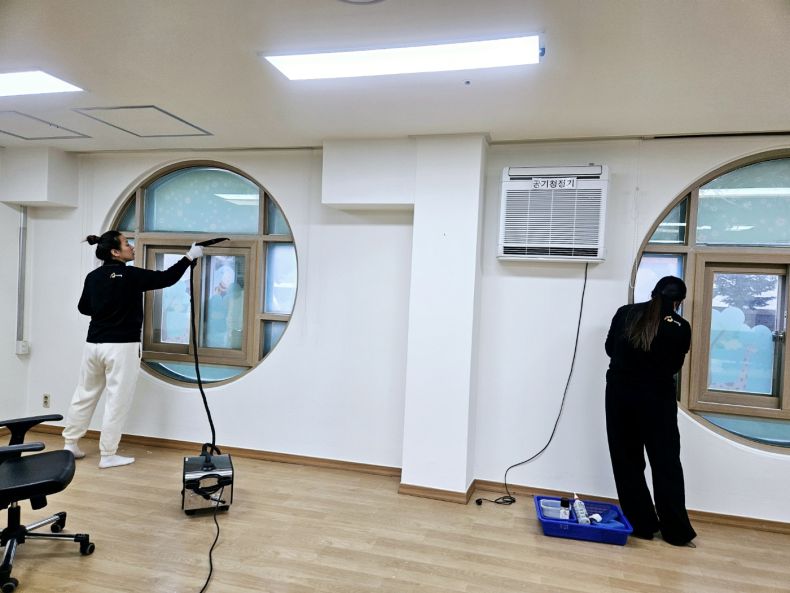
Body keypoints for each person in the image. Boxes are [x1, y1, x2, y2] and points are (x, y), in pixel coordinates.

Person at [62, 231, 203, 469]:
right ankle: (108, 454)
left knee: (84, 393)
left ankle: (70, 444)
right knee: (117, 400)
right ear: (115, 252)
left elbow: (84, 308)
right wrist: (189, 257)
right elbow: (167, 278)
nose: (132, 247)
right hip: (122, 347)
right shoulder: (130, 275)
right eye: (127, 244)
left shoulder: (93, 277)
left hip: (93, 345)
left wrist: (107, 307)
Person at [604, 275, 697, 546]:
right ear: (679, 301)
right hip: (658, 400)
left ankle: (642, 525)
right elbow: (674, 366)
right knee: (666, 463)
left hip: (620, 396)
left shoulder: (625, 313)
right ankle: (677, 533)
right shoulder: (681, 327)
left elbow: (610, 349)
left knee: (627, 461)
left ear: (654, 292)